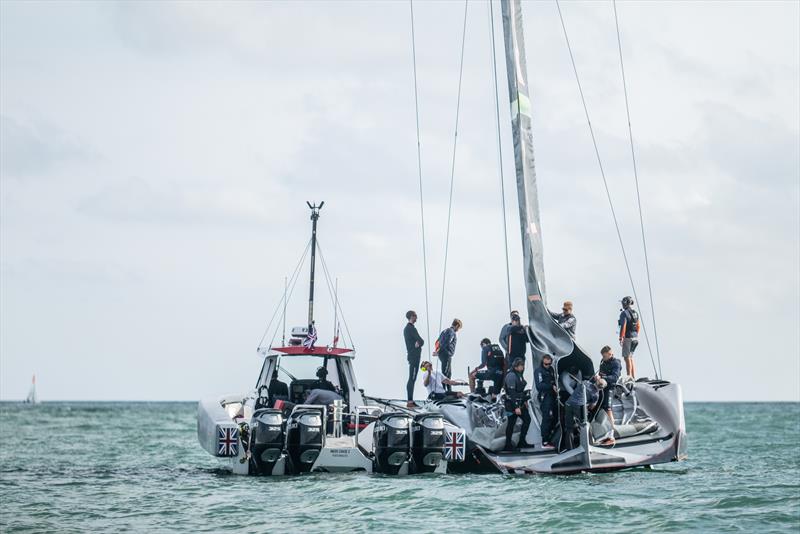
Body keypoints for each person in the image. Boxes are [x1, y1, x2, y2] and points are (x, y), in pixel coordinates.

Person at [562, 377, 606, 450]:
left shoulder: (585, 382)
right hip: (579, 407)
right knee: (585, 426)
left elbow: (579, 386)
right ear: (602, 388)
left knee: (569, 428)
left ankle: (569, 448)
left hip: (568, 404)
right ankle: (590, 445)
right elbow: (592, 407)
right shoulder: (596, 395)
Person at [503, 358, 532, 451]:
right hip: (512, 404)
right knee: (511, 423)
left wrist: (524, 401)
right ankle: (508, 445)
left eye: (523, 365)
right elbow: (512, 393)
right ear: (516, 366)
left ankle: (522, 442)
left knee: (527, 419)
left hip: (520, 403)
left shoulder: (519, 374)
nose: (523, 367)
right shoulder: (511, 375)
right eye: (521, 366)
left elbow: (520, 391)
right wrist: (516, 407)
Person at [534, 354, 557, 447]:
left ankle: (552, 436)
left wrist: (555, 386)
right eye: (546, 364)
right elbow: (539, 386)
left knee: (555, 416)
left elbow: (554, 380)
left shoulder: (551, 369)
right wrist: (551, 386)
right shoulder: (538, 371)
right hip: (545, 396)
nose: (547, 366)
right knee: (546, 417)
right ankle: (545, 441)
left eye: (549, 364)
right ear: (542, 362)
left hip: (553, 395)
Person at [403, 310, 425, 408]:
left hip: (413, 356)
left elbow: (420, 342)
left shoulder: (409, 328)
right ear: (411, 316)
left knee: (413, 378)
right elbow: (421, 340)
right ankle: (410, 401)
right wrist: (418, 342)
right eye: (415, 316)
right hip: (414, 356)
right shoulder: (410, 328)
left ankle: (410, 400)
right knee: (412, 378)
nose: (417, 317)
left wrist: (418, 343)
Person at [597, 345, 622, 428]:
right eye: (602, 356)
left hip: (610, 388)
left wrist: (604, 378)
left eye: (604, 356)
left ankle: (612, 428)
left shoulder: (616, 363)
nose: (603, 358)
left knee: (608, 407)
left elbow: (615, 377)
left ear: (610, 354)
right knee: (599, 407)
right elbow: (600, 374)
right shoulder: (602, 363)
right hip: (601, 388)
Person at [435, 319, 462, 391]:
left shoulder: (444, 331)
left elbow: (437, 342)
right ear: (456, 325)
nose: (458, 330)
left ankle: (449, 390)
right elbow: (447, 341)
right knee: (446, 373)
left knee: (448, 373)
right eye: (458, 328)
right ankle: (444, 390)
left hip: (442, 354)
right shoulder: (451, 331)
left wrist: (437, 351)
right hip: (446, 354)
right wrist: (440, 351)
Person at [618, 296, 640, 378]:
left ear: (625, 303)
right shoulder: (635, 313)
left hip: (628, 338)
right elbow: (638, 326)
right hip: (635, 338)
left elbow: (623, 325)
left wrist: (621, 337)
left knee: (627, 358)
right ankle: (633, 377)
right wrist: (635, 334)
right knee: (630, 357)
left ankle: (629, 377)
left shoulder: (624, 313)